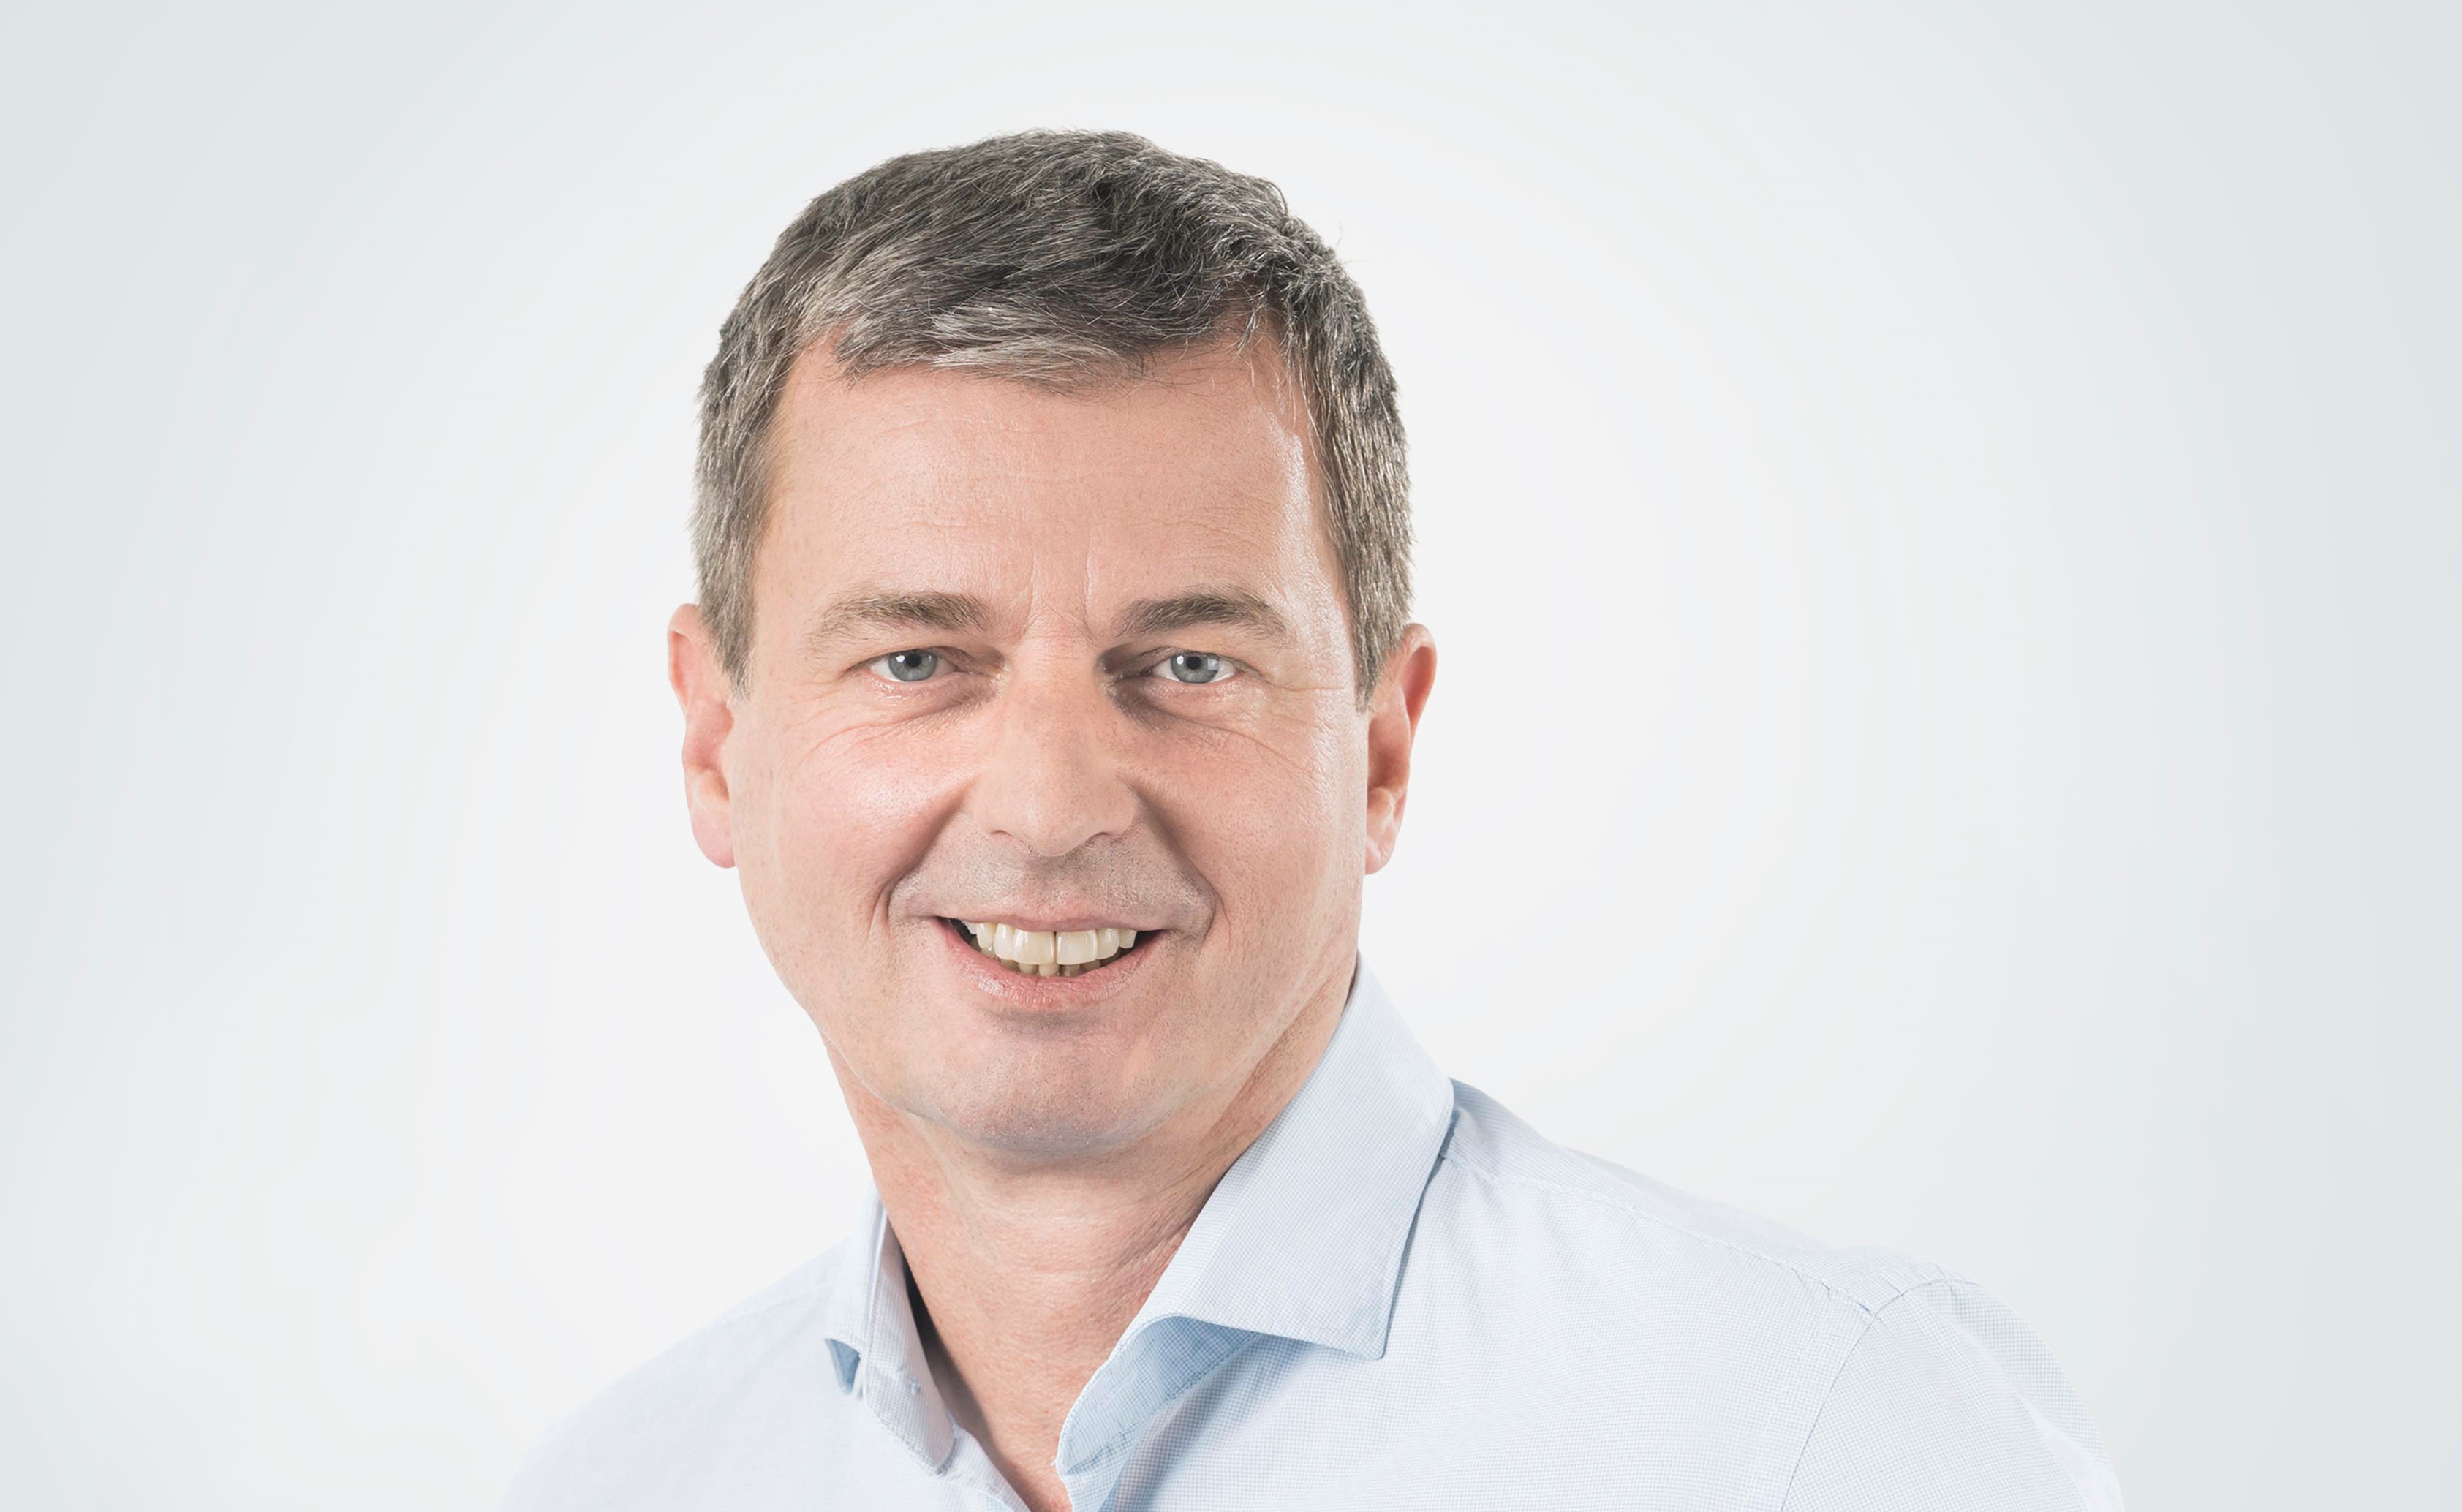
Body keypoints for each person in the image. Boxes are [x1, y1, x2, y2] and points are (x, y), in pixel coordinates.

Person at [499, 130, 2121, 1512]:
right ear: (716, 742)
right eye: (919, 660)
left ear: (1382, 751)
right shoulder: (615, 1485)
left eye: (1188, 663)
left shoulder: (1823, 1437)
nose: (1051, 807)